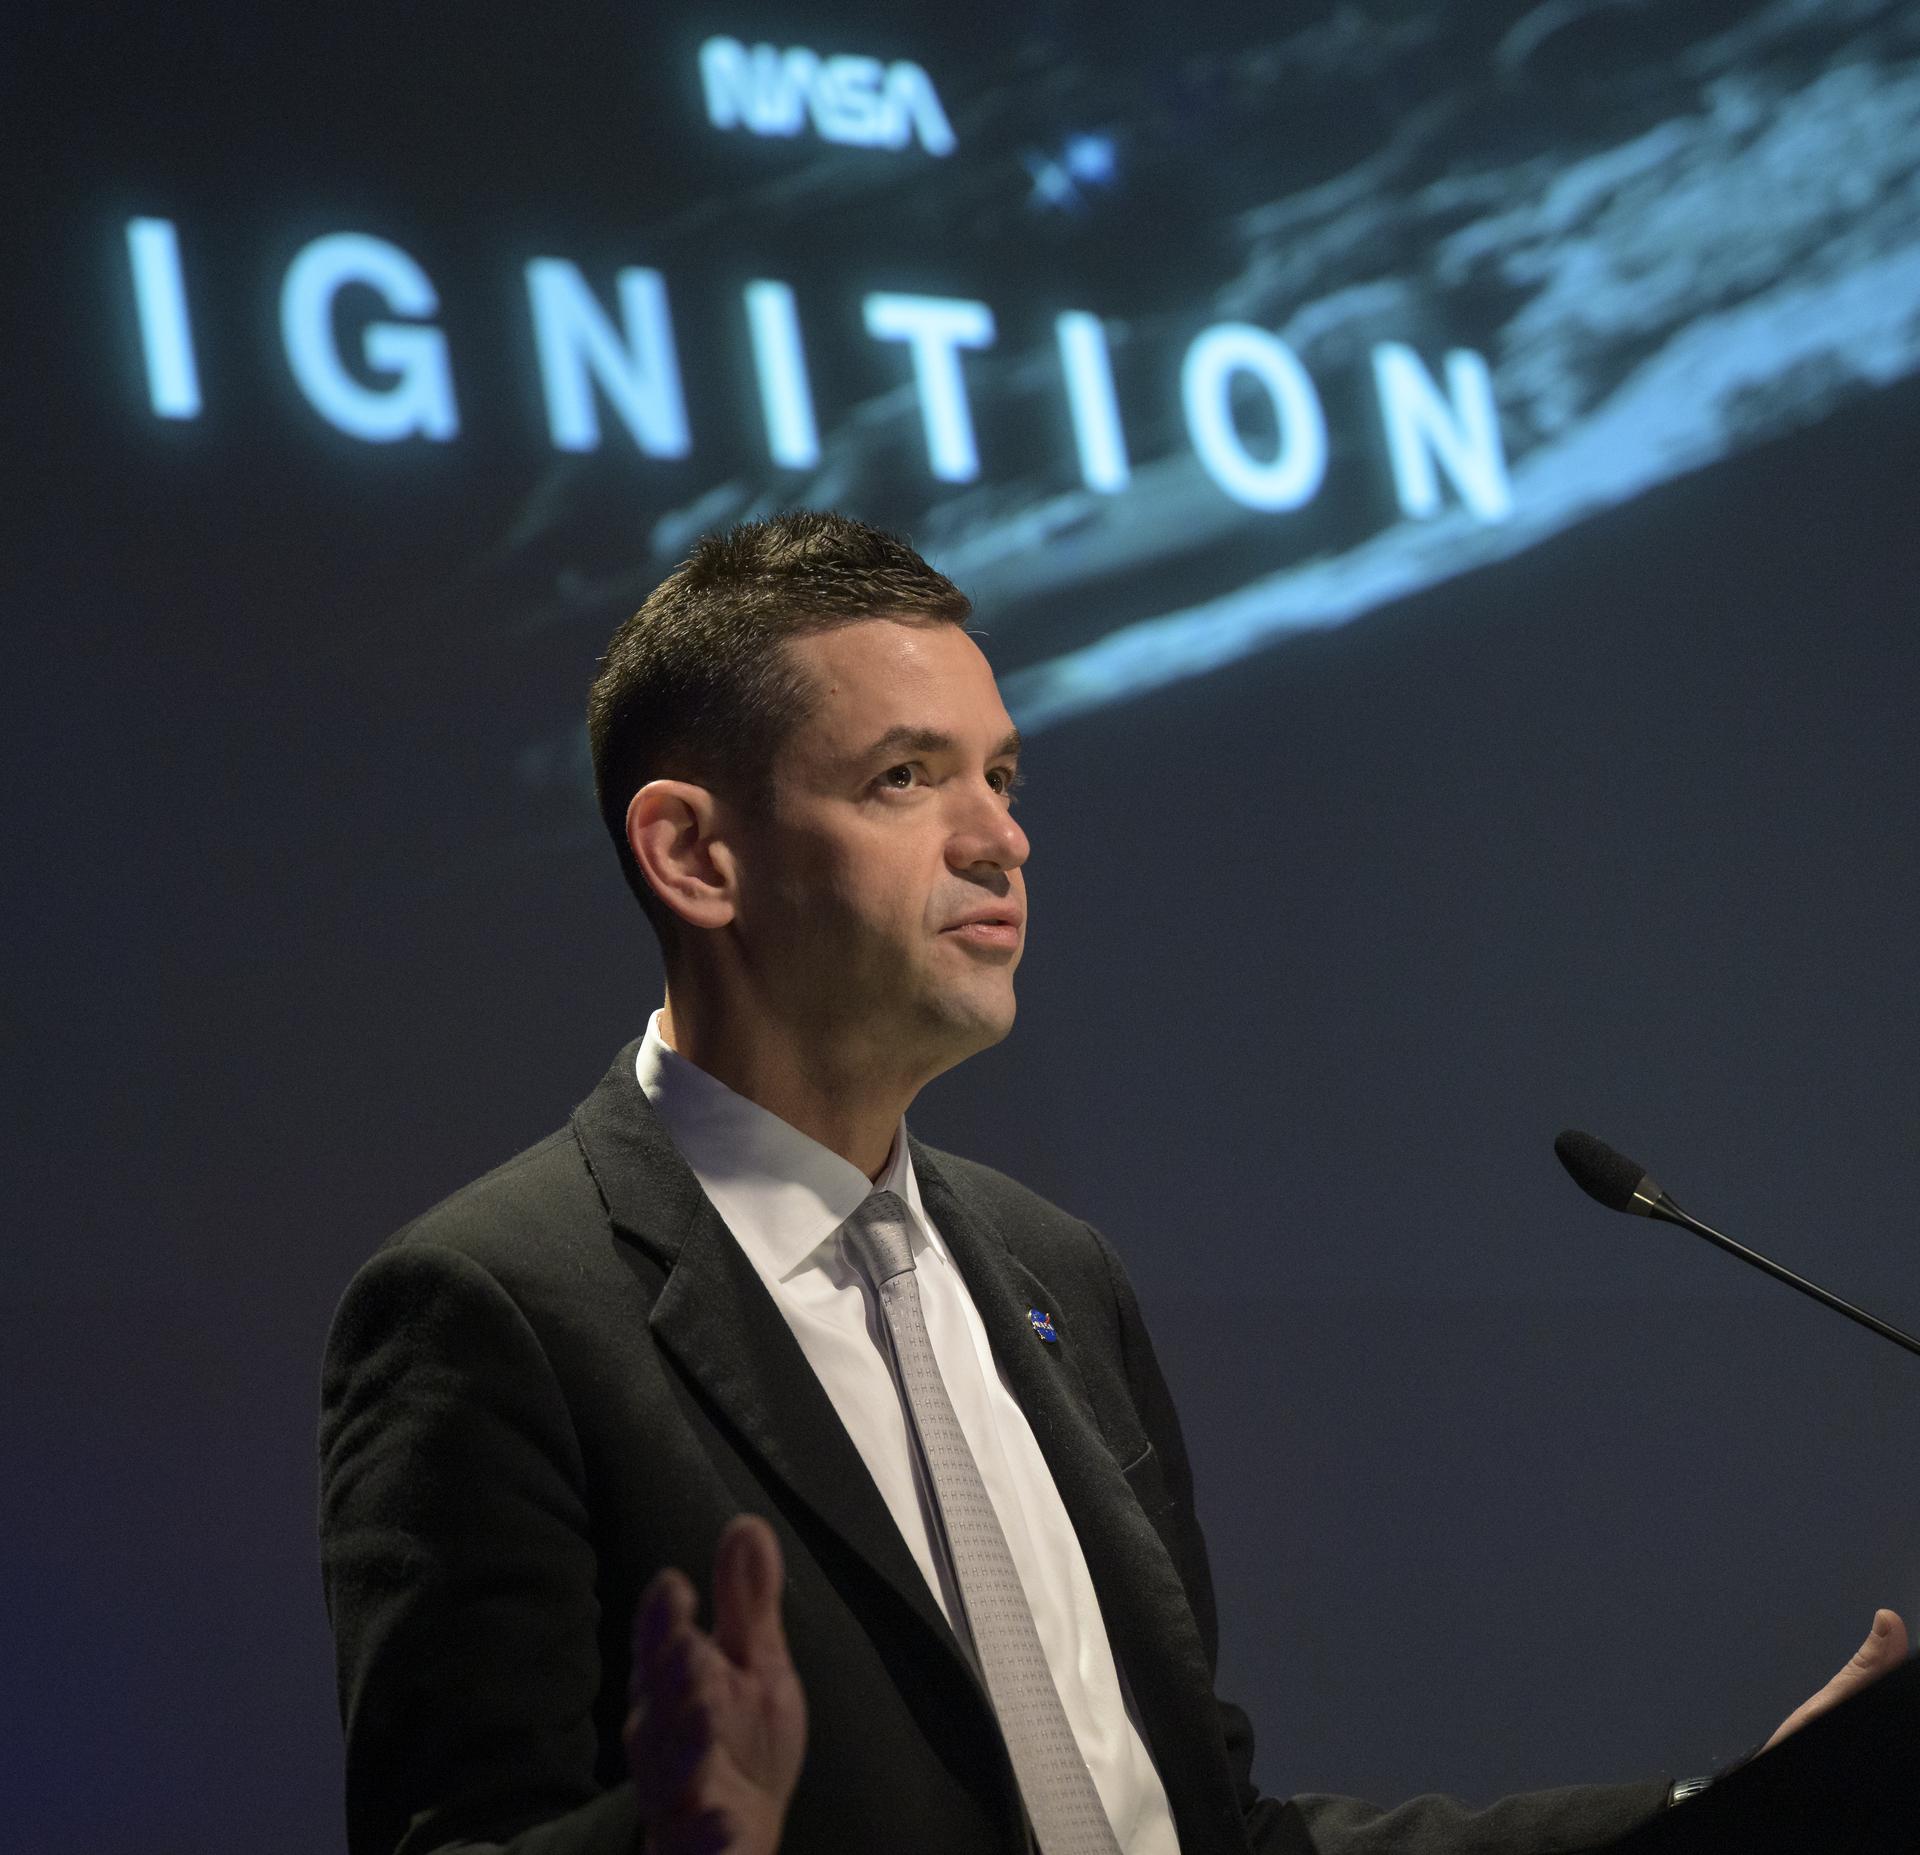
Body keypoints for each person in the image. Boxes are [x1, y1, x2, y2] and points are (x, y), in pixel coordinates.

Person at [319, 512, 1906, 1855]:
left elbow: (1207, 1823)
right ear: (694, 854)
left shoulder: (1050, 1270)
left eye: (1004, 776)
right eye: (905, 779)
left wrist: (1734, 1805)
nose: (1000, 839)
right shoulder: (495, 1310)